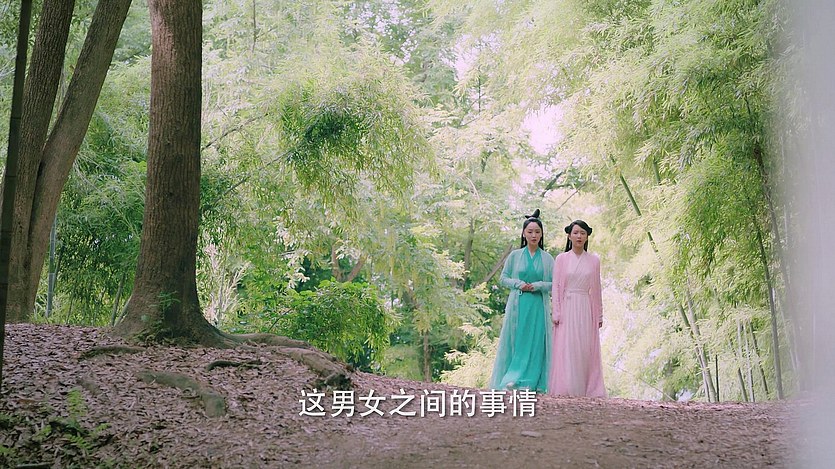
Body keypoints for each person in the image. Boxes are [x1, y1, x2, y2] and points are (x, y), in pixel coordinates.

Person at [489, 209, 554, 393]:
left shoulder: (547, 259)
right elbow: (503, 278)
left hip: (538, 305)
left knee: (535, 341)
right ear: (524, 233)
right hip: (518, 304)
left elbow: (555, 283)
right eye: (530, 231)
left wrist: (538, 285)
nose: (534, 235)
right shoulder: (515, 256)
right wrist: (518, 284)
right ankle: (512, 378)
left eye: (537, 232)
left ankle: (532, 380)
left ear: (541, 234)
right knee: (517, 340)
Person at [548, 219, 606, 397]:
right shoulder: (561, 259)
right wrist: (556, 310)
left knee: (584, 346)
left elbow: (596, 289)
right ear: (569, 236)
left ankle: (585, 387)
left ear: (587, 236)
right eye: (575, 233)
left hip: (585, 305)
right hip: (567, 304)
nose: (579, 236)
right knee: (567, 345)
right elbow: (556, 286)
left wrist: (599, 315)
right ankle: (566, 387)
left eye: (582, 233)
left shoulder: (594, 260)